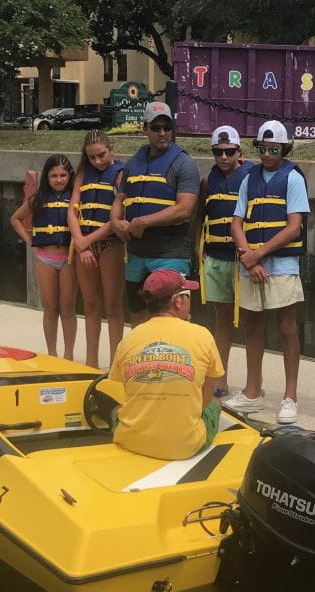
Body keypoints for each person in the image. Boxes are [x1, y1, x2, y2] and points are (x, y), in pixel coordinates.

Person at [224, 120, 308, 425]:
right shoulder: (249, 178)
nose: (268, 154)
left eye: (274, 148)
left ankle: (290, 395)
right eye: (262, 148)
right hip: (251, 263)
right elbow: (236, 223)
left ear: (284, 149)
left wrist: (258, 254)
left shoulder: (293, 178)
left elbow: (294, 226)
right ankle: (252, 391)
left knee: (287, 328)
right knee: (251, 327)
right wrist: (250, 257)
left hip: (282, 264)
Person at [109, 269, 224, 460]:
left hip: (131, 441)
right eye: (187, 296)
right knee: (215, 403)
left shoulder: (129, 339)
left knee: (116, 410)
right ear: (177, 301)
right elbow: (204, 401)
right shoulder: (203, 335)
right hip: (184, 447)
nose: (189, 301)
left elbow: (125, 392)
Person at [112, 101, 200, 327]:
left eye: (167, 127)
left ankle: (174, 361)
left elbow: (185, 209)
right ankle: (141, 360)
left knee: (173, 317)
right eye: (156, 127)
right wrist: (115, 221)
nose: (162, 132)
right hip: (137, 253)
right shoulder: (133, 163)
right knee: (138, 314)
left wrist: (144, 221)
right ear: (145, 129)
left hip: (170, 253)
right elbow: (120, 198)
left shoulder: (184, 163)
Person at [196, 125, 254, 399]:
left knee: (250, 321)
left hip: (242, 259)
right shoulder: (209, 181)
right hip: (216, 257)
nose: (224, 157)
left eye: (229, 152)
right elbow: (199, 217)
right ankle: (220, 379)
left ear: (239, 152)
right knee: (221, 321)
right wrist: (198, 248)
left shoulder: (251, 176)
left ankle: (253, 383)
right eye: (218, 152)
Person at [67, 129, 125, 369]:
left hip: (110, 245)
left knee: (113, 305)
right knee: (90, 305)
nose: (97, 161)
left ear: (111, 149)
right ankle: (91, 362)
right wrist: (81, 243)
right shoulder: (83, 172)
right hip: (84, 248)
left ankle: (115, 365)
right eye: (92, 157)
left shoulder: (121, 173)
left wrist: (87, 241)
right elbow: (72, 209)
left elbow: (118, 216)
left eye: (101, 155)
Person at [10, 154, 78, 359]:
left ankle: (68, 355)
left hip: (69, 259)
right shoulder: (37, 199)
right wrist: (30, 241)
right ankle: (52, 353)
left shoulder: (76, 198)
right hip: (44, 258)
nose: (59, 180)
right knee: (50, 308)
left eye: (63, 175)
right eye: (54, 175)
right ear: (46, 177)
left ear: (70, 176)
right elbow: (15, 219)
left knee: (67, 308)